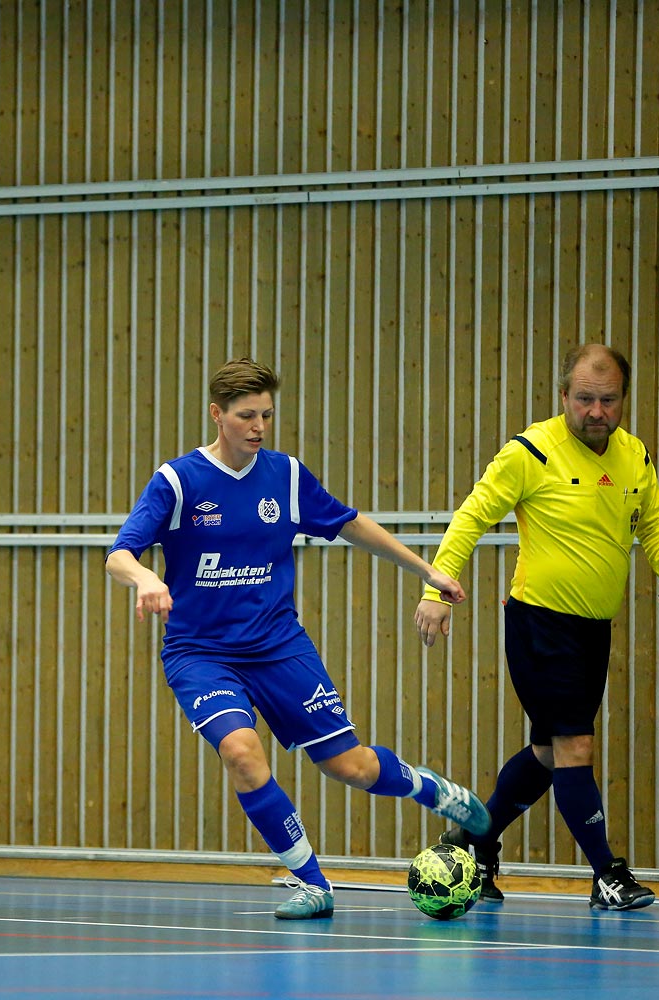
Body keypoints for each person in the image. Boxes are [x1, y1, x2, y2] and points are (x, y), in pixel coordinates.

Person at [106, 358, 492, 920]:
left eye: (266, 414)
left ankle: (434, 791)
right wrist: (144, 577)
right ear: (217, 415)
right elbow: (120, 553)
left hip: (278, 646)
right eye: (246, 415)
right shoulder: (178, 481)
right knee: (241, 752)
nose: (258, 426)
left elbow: (349, 522)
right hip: (201, 654)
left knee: (349, 767)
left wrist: (425, 569)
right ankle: (312, 882)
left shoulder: (284, 476)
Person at [415, 342, 659, 910]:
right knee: (574, 745)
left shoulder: (634, 456)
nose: (597, 411)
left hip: (593, 630)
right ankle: (607, 875)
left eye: (608, 400)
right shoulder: (530, 452)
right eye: (585, 398)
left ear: (623, 400)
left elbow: (655, 521)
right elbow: (471, 517)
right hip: (540, 625)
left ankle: (476, 841)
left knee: (547, 753)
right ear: (563, 396)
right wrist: (435, 589)